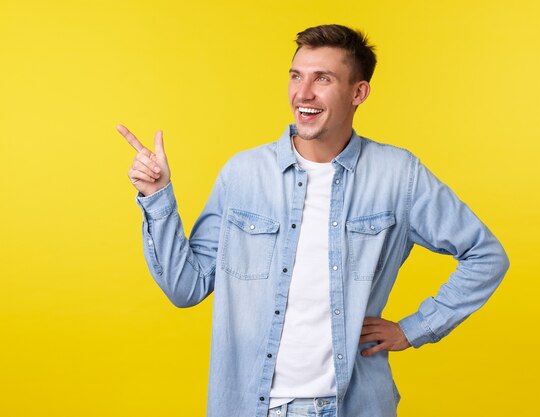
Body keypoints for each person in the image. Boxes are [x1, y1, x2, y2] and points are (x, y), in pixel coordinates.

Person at [117, 24, 509, 417]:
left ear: (359, 93)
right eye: (296, 76)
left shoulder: (397, 175)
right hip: (252, 406)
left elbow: (485, 255)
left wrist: (415, 328)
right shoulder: (243, 174)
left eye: (322, 79)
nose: (303, 94)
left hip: (352, 406)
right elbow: (187, 288)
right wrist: (157, 198)